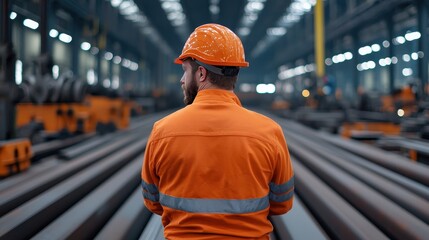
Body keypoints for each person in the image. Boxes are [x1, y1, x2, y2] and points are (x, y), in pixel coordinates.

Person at [141, 23, 294, 240]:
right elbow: (282, 203)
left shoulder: (163, 131)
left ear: (201, 73)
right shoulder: (269, 132)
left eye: (185, 71)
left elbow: (152, 201)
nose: (182, 80)